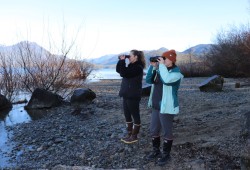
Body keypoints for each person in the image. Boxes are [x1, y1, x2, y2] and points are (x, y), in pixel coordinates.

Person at [145, 49, 183, 166]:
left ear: (171, 60)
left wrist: (160, 67)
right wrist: (153, 67)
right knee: (153, 129)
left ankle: (166, 154)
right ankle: (156, 151)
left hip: (167, 106)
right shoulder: (160, 69)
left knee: (167, 131)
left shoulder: (176, 74)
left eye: (164, 58)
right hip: (156, 104)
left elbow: (166, 80)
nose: (162, 60)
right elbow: (148, 80)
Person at [116, 49, 146, 144]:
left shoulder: (138, 67)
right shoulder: (131, 65)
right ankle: (129, 134)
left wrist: (122, 61)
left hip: (133, 95)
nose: (128, 57)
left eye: (130, 56)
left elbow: (123, 73)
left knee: (135, 115)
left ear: (136, 57)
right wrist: (120, 60)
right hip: (126, 94)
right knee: (127, 115)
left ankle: (134, 136)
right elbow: (119, 70)